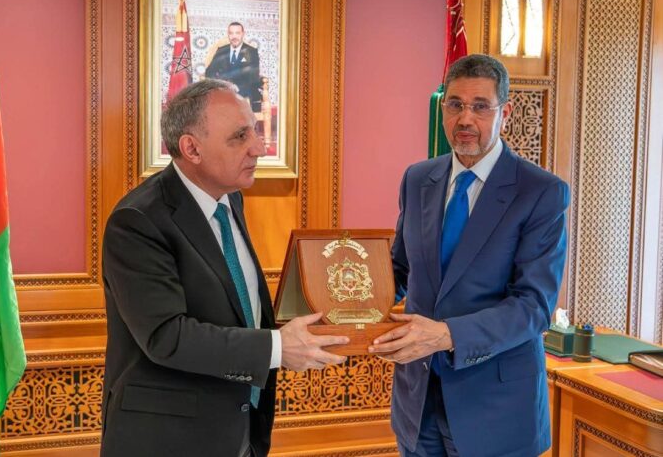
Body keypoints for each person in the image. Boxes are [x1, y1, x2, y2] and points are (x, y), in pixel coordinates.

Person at [100, 79, 348, 457]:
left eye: (256, 131)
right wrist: (277, 348)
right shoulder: (137, 220)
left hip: (238, 431)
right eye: (240, 136)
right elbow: (167, 336)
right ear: (191, 148)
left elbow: (234, 306)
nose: (258, 148)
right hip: (167, 440)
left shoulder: (230, 199)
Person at [369, 54, 569, 457]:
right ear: (443, 108)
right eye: (455, 104)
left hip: (496, 411)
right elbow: (401, 270)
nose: (465, 119)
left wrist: (446, 336)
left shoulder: (540, 192)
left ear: (504, 113)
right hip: (417, 404)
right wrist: (341, 298)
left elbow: (533, 307)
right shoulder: (418, 179)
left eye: (480, 106)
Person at [205, 22, 262, 112]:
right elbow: (209, 72)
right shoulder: (221, 51)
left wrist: (237, 87)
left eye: (237, 33)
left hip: (243, 91)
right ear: (228, 34)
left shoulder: (251, 51)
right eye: (231, 33)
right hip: (223, 90)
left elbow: (253, 77)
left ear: (243, 34)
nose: (234, 37)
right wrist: (221, 84)